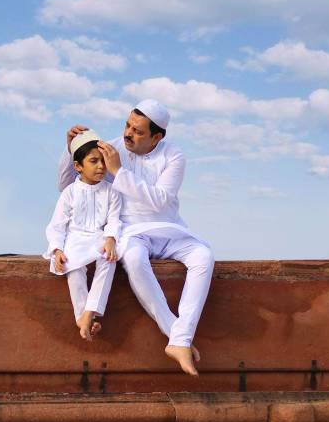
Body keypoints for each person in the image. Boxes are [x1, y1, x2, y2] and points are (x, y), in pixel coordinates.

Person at [57, 99, 215, 376]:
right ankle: (178, 338)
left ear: (157, 137)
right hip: (129, 231)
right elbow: (72, 189)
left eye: (138, 131)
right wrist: (68, 148)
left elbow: (160, 202)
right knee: (133, 258)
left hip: (168, 228)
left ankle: (179, 339)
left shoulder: (174, 156)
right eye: (128, 125)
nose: (128, 133)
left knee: (204, 256)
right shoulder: (112, 147)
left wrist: (118, 171)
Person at [44, 129, 122, 341]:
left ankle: (91, 310)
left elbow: (115, 219)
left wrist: (110, 238)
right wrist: (57, 249)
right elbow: (57, 225)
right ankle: (81, 316)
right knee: (73, 268)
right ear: (78, 166)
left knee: (109, 259)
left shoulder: (112, 191)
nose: (101, 167)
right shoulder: (70, 192)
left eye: (103, 161)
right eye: (93, 161)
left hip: (99, 238)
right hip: (75, 240)